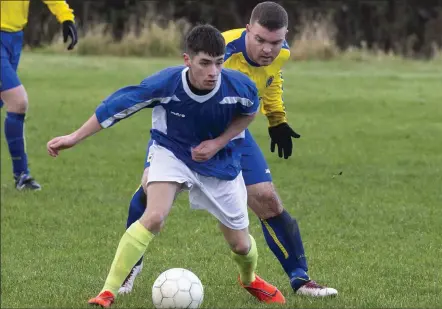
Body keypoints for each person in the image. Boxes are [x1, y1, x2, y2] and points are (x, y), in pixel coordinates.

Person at [46, 24, 286, 308]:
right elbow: (115, 107)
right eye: (205, 63)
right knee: (155, 215)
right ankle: (107, 292)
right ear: (187, 60)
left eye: (219, 63)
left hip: (220, 162)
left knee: (241, 245)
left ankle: (249, 279)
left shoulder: (239, 86)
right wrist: (74, 137)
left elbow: (248, 114)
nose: (213, 72)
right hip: (171, 151)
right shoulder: (165, 84)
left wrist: (218, 143)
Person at [120, 1, 338, 298]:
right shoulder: (222, 51)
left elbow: (270, 81)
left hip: (232, 132)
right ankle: (130, 268)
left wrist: (277, 120)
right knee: (150, 188)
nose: (267, 50)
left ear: (285, 37)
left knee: (267, 198)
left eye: (275, 42)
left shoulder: (281, 53)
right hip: (182, 128)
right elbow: (181, 79)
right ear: (248, 30)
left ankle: (301, 280)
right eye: (260, 40)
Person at [1, 0, 78, 190]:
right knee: (18, 101)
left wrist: (65, 17)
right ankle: (22, 175)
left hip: (14, 37)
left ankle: (21, 176)